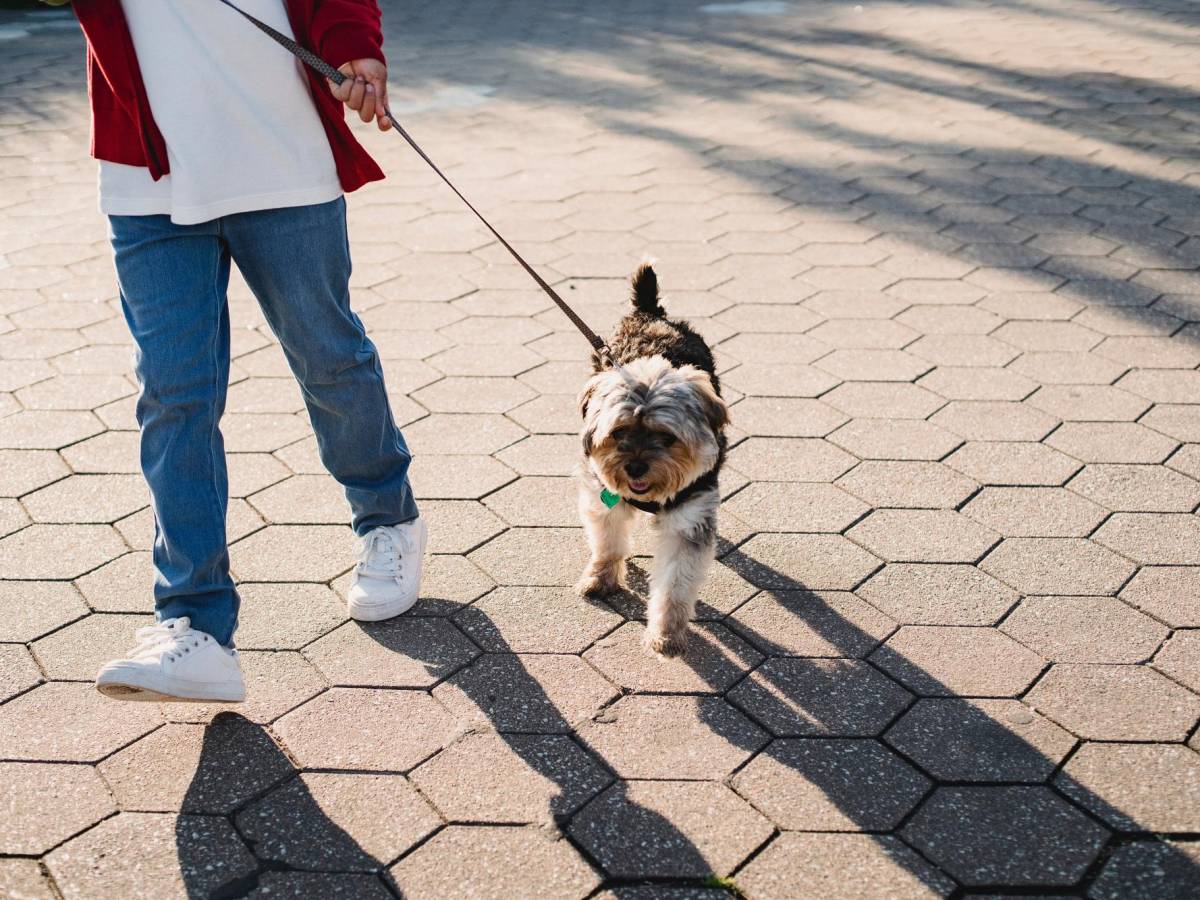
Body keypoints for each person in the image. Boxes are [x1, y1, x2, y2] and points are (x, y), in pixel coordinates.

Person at [61, 0, 426, 703]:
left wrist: (353, 45)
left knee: (327, 356)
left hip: (279, 155)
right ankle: (195, 626)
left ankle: (388, 518)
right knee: (174, 393)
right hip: (149, 175)